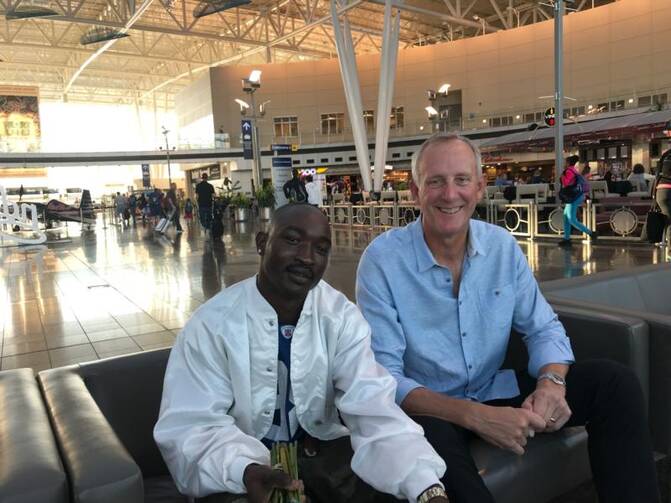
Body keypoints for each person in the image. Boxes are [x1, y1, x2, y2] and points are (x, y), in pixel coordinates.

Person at [356, 133, 660, 503]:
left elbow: (543, 327)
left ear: (479, 188)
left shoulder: (501, 247)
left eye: (462, 180)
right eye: (435, 181)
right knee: (429, 447)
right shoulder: (383, 261)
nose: (450, 194)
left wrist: (551, 383)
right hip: (428, 409)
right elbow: (385, 378)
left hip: (490, 388)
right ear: (415, 193)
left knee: (614, 383)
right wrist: (475, 417)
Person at [154, 204, 448, 503]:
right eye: (292, 241)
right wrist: (245, 469)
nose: (307, 257)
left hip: (325, 462)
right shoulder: (212, 324)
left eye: (321, 249)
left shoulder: (341, 318)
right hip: (239, 472)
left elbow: (373, 407)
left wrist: (426, 487)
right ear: (261, 243)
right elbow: (192, 425)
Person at [558, 155, 596, 247]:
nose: (563, 163)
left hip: (573, 196)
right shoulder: (574, 170)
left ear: (567, 163)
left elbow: (566, 183)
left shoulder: (569, 171)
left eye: (564, 162)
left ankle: (591, 233)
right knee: (566, 217)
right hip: (576, 195)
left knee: (571, 219)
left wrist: (562, 177)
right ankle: (566, 239)